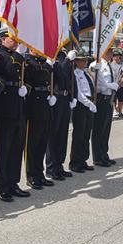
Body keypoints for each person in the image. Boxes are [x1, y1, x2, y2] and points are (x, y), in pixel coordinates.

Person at [0, 27, 30, 201]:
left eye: (16, 37)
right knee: (4, 150)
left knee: (17, 148)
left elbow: (23, 77)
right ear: (2, 39)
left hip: (18, 108)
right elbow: (5, 72)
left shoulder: (16, 56)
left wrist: (25, 88)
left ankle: (14, 183)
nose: (15, 41)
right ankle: (3, 186)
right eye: (11, 37)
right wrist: (18, 55)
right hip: (5, 109)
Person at [25, 50, 56, 189]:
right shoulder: (28, 62)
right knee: (32, 144)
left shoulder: (42, 63)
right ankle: (31, 175)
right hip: (34, 105)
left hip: (44, 103)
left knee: (42, 143)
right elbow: (38, 76)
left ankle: (39, 174)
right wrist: (49, 65)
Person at [46, 48, 77, 180]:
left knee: (63, 134)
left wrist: (73, 96)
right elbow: (60, 73)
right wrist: (68, 60)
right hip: (56, 100)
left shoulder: (64, 55)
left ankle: (59, 165)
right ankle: (51, 167)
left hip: (65, 99)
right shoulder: (53, 54)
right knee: (54, 134)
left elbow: (71, 78)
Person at [90, 48, 119, 168]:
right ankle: (98, 157)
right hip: (101, 98)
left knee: (106, 129)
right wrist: (110, 86)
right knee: (99, 129)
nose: (111, 54)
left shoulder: (109, 65)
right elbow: (97, 82)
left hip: (109, 99)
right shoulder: (96, 64)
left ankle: (104, 154)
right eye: (109, 51)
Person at [69, 49, 97, 173]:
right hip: (81, 105)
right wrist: (88, 103)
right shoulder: (74, 73)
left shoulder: (86, 73)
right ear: (76, 61)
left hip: (89, 104)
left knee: (86, 134)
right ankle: (75, 162)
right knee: (79, 134)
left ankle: (83, 160)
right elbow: (78, 92)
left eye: (86, 59)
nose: (85, 62)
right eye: (82, 60)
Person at [110, 48, 123, 118]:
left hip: (120, 85)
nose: (115, 57)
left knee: (121, 100)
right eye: (114, 55)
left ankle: (120, 112)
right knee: (113, 99)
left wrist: (120, 82)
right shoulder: (110, 65)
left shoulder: (122, 65)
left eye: (117, 55)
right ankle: (114, 111)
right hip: (113, 85)